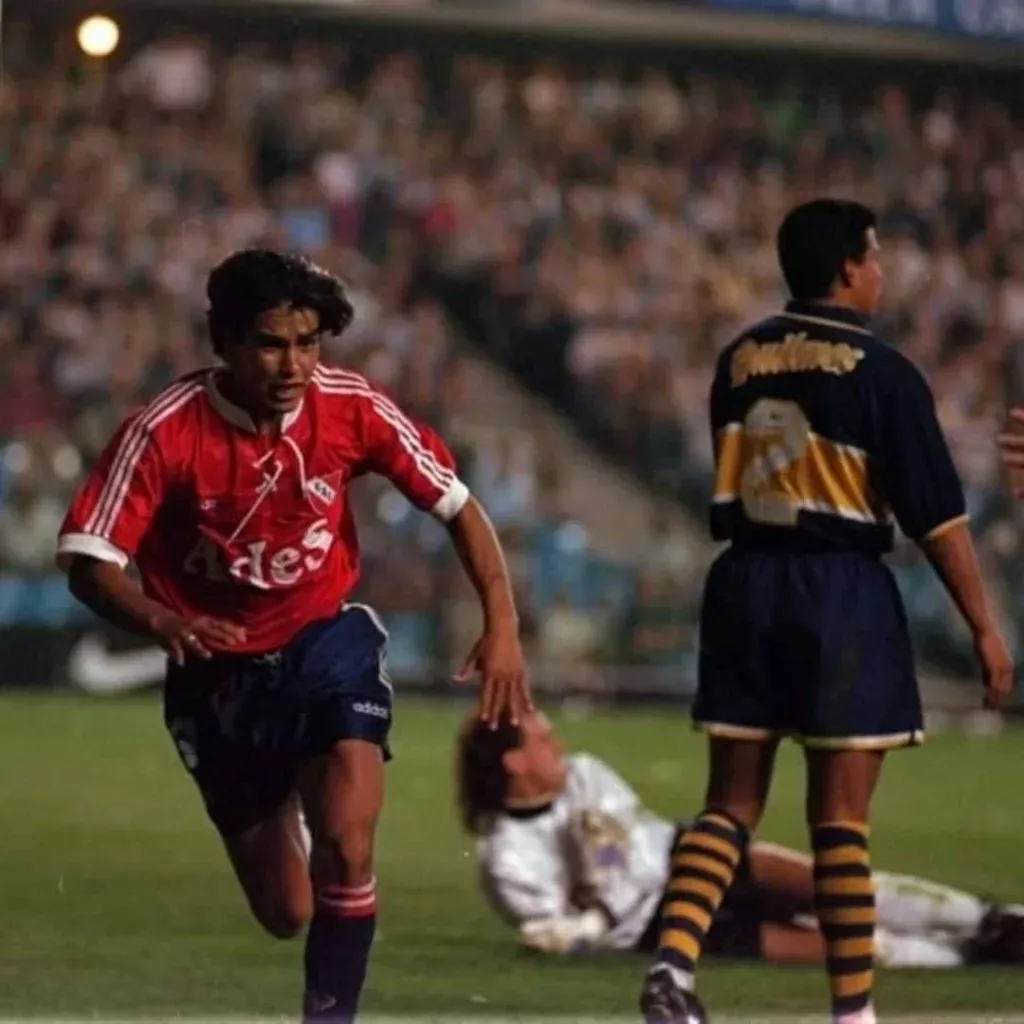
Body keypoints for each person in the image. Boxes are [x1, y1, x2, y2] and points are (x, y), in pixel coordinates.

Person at [55, 249, 531, 1024]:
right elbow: (87, 561)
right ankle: (285, 800)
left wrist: (502, 625)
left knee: (350, 843)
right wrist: (162, 620)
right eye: (272, 345)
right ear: (224, 343)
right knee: (287, 910)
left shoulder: (351, 406)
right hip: (216, 673)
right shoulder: (162, 432)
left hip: (322, 643)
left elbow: (458, 505)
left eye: (308, 343)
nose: (294, 365)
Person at [637, 200, 1014, 1024]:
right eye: (874, 257)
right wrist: (985, 625)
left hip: (743, 582)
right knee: (839, 821)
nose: (880, 271)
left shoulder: (739, 359)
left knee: (730, 805)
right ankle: (854, 1014)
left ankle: (672, 966)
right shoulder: (884, 371)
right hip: (839, 588)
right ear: (849, 268)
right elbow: (937, 519)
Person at [456, 711, 1024, 969]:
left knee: (840, 885)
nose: (557, 746)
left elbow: (618, 850)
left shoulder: (585, 774)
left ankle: (988, 920)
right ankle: (964, 955)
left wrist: (593, 912)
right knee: (846, 949)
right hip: (657, 929)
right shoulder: (505, 858)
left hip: (688, 856)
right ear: (514, 762)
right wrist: (578, 932)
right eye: (542, 741)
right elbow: (555, 936)